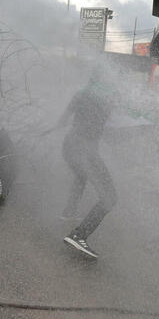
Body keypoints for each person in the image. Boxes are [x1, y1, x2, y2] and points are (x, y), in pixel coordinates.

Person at [59, 76, 117, 259]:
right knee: (110, 197)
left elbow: (63, 119)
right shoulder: (104, 103)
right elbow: (111, 135)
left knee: (81, 176)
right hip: (85, 152)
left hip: (70, 145)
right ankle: (79, 235)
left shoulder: (81, 94)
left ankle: (69, 211)